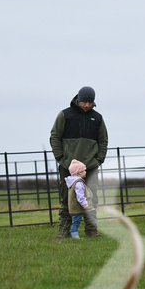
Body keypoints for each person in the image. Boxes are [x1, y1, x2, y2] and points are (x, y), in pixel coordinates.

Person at [50, 86, 108, 238]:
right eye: (84, 102)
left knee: (91, 198)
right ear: (78, 100)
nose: (87, 105)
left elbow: (103, 140)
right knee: (66, 198)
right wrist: (61, 159)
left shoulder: (98, 118)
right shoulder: (65, 115)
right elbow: (55, 136)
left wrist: (99, 160)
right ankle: (65, 230)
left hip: (90, 166)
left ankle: (91, 230)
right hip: (67, 167)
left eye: (90, 102)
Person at [65, 159, 93, 239]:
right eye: (84, 170)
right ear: (79, 172)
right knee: (76, 222)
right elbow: (80, 196)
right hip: (77, 207)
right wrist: (84, 204)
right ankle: (75, 237)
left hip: (73, 207)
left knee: (75, 221)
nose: (85, 172)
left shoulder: (73, 182)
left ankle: (75, 236)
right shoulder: (78, 183)